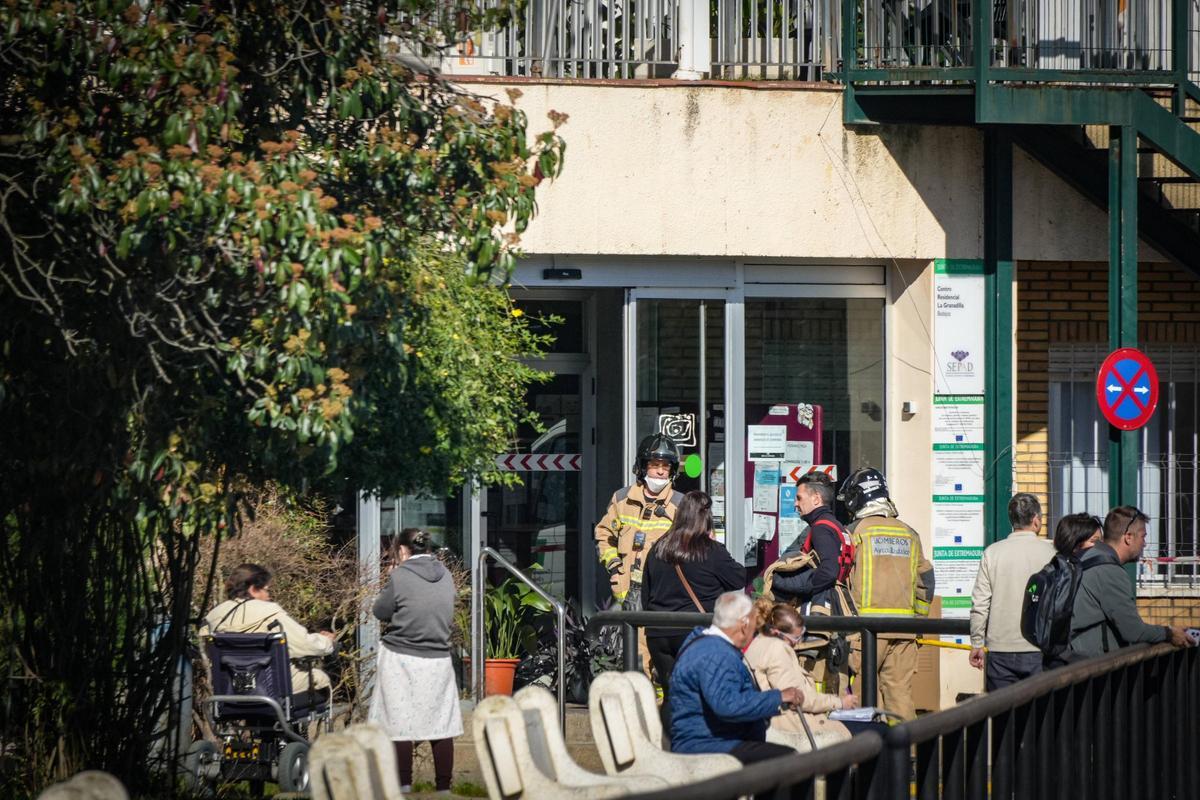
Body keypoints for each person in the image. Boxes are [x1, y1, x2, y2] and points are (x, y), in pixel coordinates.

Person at [642, 490, 745, 729]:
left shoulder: (658, 548)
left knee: (671, 692)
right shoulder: (710, 550)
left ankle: (669, 744)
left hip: (658, 633)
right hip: (695, 633)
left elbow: (646, 594)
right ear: (706, 518)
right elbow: (738, 578)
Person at [369, 528, 462, 794]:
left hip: (401, 655)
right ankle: (444, 788)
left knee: (400, 722)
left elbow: (380, 611)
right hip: (439, 657)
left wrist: (390, 580)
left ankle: (404, 785)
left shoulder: (400, 576)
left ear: (402, 551)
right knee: (441, 722)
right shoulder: (445, 575)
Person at [840, 467, 934, 720]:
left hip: (865, 631)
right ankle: (907, 753)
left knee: (862, 694)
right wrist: (918, 623)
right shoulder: (909, 533)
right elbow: (926, 582)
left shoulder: (854, 532)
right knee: (900, 695)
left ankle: (866, 754)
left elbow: (841, 580)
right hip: (904, 630)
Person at [669, 591, 800, 765]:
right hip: (706, 744)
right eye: (754, 625)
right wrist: (779, 696)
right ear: (744, 625)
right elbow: (728, 706)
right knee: (789, 760)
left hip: (713, 739)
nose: (754, 631)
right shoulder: (716, 654)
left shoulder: (704, 644)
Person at [594, 433, 685, 675]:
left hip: (665, 594)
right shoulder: (622, 499)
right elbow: (604, 535)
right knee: (635, 657)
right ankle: (644, 704)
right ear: (642, 467)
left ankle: (662, 705)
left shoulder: (681, 505)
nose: (659, 472)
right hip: (630, 590)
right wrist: (614, 567)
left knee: (663, 656)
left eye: (665, 467)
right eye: (655, 465)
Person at [1060, 507, 1193, 662]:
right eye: (1143, 536)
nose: (1145, 544)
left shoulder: (1088, 556)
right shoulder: (1110, 572)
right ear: (1128, 537)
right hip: (1088, 668)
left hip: (1069, 658)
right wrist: (1169, 633)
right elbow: (1133, 631)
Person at [768, 471, 858, 693]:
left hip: (821, 610)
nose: (795, 504)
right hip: (839, 608)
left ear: (816, 499)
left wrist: (790, 584)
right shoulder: (838, 526)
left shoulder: (821, 529)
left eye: (799, 498)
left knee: (813, 676)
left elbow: (828, 572)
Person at [203, 563, 336, 693]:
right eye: (266, 590)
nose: (269, 596)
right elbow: (305, 644)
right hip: (272, 690)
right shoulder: (270, 614)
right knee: (320, 678)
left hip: (230, 690)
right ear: (253, 589)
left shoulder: (214, 617)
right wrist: (327, 641)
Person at [744, 599, 856, 752]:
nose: (797, 644)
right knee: (875, 733)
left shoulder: (757, 643)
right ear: (777, 633)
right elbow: (800, 698)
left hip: (778, 722)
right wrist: (840, 703)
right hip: (793, 726)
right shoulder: (777, 649)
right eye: (795, 639)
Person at [968, 494, 1055, 690]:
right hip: (1039, 648)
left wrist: (976, 643)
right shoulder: (1051, 554)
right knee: (1039, 716)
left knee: (1003, 716)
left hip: (1000, 650)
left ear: (1012, 520)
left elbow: (980, 603)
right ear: (1036, 520)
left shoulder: (992, 553)